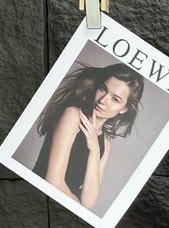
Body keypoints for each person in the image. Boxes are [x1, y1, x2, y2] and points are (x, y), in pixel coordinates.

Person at [32, 62, 144, 210]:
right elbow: (52, 182)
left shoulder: (106, 142)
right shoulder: (73, 115)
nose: (103, 100)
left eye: (115, 99)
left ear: (124, 109)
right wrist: (79, 208)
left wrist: (95, 150)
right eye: (103, 89)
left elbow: (89, 202)